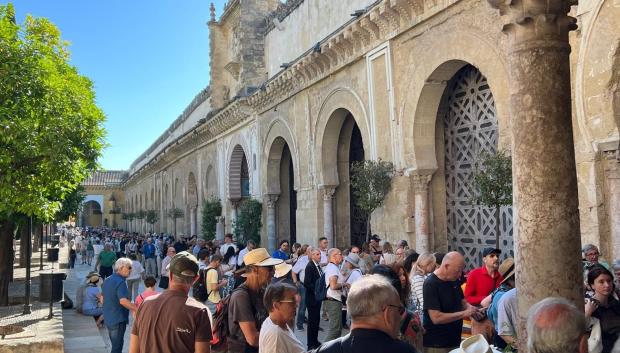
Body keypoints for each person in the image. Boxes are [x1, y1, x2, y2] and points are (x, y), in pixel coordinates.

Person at [129, 251, 212, 353]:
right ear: (195, 279)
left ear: (171, 275)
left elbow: (133, 350)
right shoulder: (200, 312)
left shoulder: (145, 303)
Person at [311, 275, 418, 353]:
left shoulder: (326, 350)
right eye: (399, 309)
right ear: (388, 313)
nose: (400, 316)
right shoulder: (405, 351)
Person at [228, 248, 283, 353]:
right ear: (254, 269)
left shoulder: (262, 291)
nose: (273, 272)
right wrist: (283, 338)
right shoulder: (241, 296)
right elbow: (252, 339)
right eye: (270, 268)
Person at [423, 252, 479, 353]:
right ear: (446, 266)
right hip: (437, 344)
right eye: (457, 271)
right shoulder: (430, 284)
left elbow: (462, 301)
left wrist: (471, 308)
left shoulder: (453, 279)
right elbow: (436, 318)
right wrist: (464, 313)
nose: (459, 275)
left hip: (455, 340)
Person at [464, 247, 503, 342]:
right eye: (492, 256)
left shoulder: (502, 277)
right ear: (484, 259)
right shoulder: (475, 274)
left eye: (497, 256)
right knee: (480, 348)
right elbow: (467, 298)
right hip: (480, 319)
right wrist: (486, 299)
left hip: (498, 319)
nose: (496, 258)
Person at [102, 258, 138, 353]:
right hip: (118, 319)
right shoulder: (121, 282)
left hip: (109, 318)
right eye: (129, 267)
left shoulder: (108, 279)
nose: (130, 270)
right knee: (117, 347)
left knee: (115, 345)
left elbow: (102, 299)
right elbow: (123, 301)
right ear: (121, 268)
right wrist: (138, 309)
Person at [259, 282, 305, 353]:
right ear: (276, 305)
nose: (296, 305)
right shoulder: (275, 335)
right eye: (292, 301)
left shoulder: (279, 323)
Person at [585, 265, 620, 353]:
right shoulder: (589, 306)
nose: (607, 285)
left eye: (609, 281)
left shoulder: (616, 304)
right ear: (592, 285)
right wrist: (587, 314)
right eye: (601, 282)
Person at [487, 257, 515, 349]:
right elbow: (504, 330)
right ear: (511, 278)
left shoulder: (504, 290)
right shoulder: (503, 296)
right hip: (504, 340)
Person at [324, 248, 346, 341]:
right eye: (340, 254)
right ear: (333, 256)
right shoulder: (333, 268)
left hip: (333, 300)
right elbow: (333, 286)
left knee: (337, 329)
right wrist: (344, 284)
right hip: (333, 300)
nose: (342, 256)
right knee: (335, 330)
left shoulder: (332, 267)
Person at [304, 248, 323, 350]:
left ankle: (315, 341)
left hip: (317, 299)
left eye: (320, 254)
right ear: (312, 256)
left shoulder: (317, 266)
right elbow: (307, 283)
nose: (319, 256)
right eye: (317, 254)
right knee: (312, 322)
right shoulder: (310, 266)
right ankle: (310, 344)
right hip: (312, 299)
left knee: (316, 321)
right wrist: (316, 290)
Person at [291, 245, 312, 331]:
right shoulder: (302, 260)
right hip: (303, 286)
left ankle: (312, 323)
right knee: (303, 306)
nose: (312, 252)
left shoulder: (316, 260)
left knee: (311, 305)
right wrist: (296, 282)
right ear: (306, 252)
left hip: (312, 286)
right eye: (310, 251)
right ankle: (299, 324)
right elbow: (293, 271)